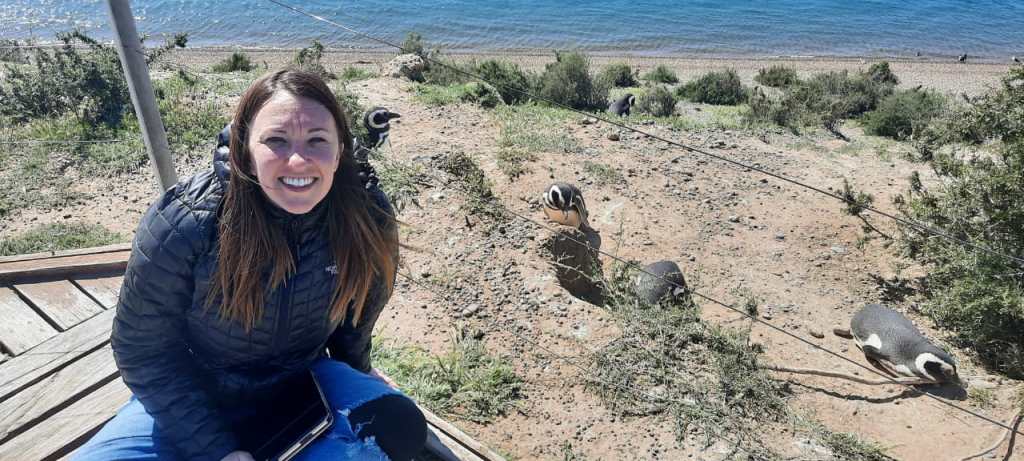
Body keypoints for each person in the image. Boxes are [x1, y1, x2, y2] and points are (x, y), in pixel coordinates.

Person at [73, 69, 427, 461]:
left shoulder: (366, 214)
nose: (298, 160)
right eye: (276, 140)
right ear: (244, 149)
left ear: (340, 149)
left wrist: (358, 374)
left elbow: (356, 318)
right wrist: (217, 451)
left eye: (317, 141)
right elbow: (142, 349)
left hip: (304, 382)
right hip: (198, 390)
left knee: (400, 428)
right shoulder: (187, 222)